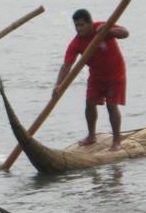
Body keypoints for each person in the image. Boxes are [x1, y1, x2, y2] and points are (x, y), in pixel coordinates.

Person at [53, 8, 129, 151]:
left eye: (82, 25)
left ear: (90, 23)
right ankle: (91, 135)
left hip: (115, 74)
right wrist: (58, 85)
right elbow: (66, 65)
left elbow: (125, 33)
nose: (79, 29)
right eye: (76, 26)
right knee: (89, 104)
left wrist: (108, 31)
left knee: (111, 106)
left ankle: (117, 141)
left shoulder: (101, 27)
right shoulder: (76, 43)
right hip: (96, 76)